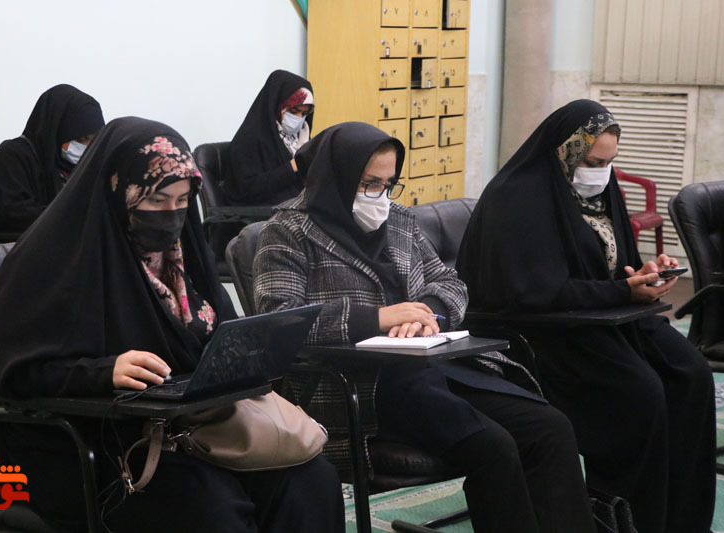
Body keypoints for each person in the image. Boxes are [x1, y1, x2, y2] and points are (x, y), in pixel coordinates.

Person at [0, 117, 344, 533]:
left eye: (183, 200)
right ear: (117, 190)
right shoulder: (52, 261)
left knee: (311, 481)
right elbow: (7, 372)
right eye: (156, 200)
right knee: (210, 505)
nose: (171, 215)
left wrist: (248, 355)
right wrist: (103, 372)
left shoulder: (181, 256)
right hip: (93, 441)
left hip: (196, 427)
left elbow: (216, 333)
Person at [253, 121, 597, 533]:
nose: (380, 197)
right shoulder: (288, 231)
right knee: (495, 447)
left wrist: (427, 313)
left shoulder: (399, 219)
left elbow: (450, 282)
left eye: (388, 184)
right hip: (365, 384)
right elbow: (280, 317)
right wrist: (379, 317)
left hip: (436, 364)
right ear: (335, 176)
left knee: (550, 428)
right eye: (368, 184)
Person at [457, 99, 715, 533]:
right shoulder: (518, 197)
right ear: (565, 151)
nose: (601, 173)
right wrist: (623, 290)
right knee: (640, 392)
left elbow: (615, 266)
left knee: (690, 372)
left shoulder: (603, 192)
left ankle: (682, 521)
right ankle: (627, 520)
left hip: (604, 318)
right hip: (540, 333)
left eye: (610, 162)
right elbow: (536, 291)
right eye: (593, 162)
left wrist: (645, 275)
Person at [0, 84, 105, 231]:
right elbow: (16, 214)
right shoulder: (13, 155)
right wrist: (76, 215)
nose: (86, 147)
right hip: (9, 241)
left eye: (93, 141)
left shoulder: (78, 166)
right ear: (58, 131)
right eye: (81, 139)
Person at [225, 69, 314, 206]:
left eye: (304, 113)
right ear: (276, 105)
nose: (299, 118)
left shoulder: (301, 138)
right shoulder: (249, 139)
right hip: (262, 213)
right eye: (294, 111)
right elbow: (246, 189)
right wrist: (291, 167)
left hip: (296, 208)